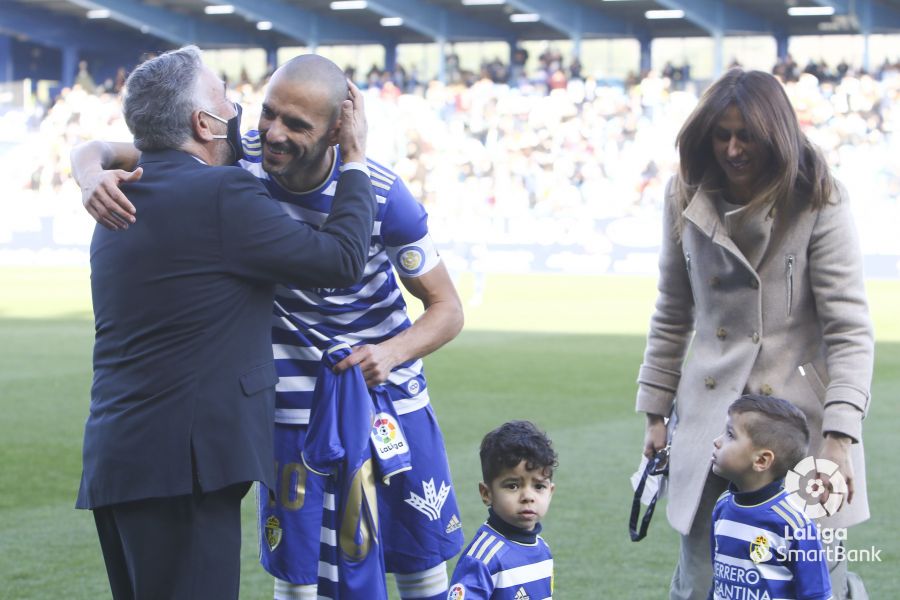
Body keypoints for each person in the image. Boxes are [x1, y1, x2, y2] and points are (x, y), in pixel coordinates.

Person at [74, 54, 466, 600]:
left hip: (385, 401)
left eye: (297, 125)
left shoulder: (380, 193)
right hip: (289, 410)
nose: (273, 133)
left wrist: (393, 352)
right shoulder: (236, 163)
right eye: (267, 113)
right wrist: (88, 170)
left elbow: (448, 307)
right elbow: (128, 145)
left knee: (418, 560)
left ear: (337, 130)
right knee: (297, 574)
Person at [635, 68, 874, 600]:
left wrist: (838, 437)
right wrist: (655, 410)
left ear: (777, 135)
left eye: (748, 135)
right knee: (700, 583)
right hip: (712, 425)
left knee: (812, 585)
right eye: (722, 135)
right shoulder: (683, 194)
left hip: (800, 432)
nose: (734, 148)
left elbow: (849, 329)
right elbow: (673, 309)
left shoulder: (820, 197)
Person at [709, 395, 831, 600]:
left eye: (730, 434)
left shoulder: (795, 523)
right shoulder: (722, 506)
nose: (717, 441)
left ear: (762, 460)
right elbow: (719, 581)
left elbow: (816, 595)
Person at [447, 420, 556, 600]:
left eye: (538, 486)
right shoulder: (483, 559)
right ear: (486, 493)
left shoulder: (542, 548)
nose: (528, 496)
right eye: (513, 486)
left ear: (550, 492)